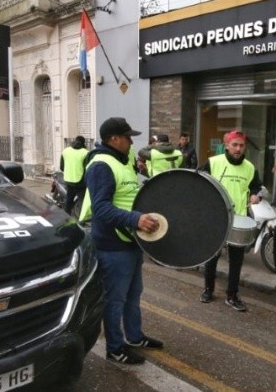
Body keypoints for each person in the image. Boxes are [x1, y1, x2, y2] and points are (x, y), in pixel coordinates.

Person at [81, 117, 164, 365]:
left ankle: (135, 336)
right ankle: (115, 347)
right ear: (113, 139)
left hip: (130, 240)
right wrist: (136, 219)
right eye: (127, 137)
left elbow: (129, 196)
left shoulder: (124, 160)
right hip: (112, 245)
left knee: (133, 293)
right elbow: (101, 209)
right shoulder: (101, 165)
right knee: (115, 299)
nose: (131, 141)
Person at [199, 129, 263, 312]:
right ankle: (208, 290)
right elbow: (200, 186)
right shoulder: (213, 163)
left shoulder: (250, 167)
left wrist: (257, 195)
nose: (238, 148)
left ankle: (232, 295)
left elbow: (257, 187)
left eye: (241, 145)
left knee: (237, 261)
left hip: (239, 219)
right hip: (216, 218)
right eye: (234, 145)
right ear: (226, 145)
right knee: (212, 257)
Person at [59, 135, 88, 215]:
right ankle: (81, 221)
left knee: (68, 201)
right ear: (83, 143)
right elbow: (88, 169)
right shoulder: (85, 152)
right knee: (83, 202)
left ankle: (65, 218)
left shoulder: (65, 151)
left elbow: (61, 167)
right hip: (81, 183)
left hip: (68, 180)